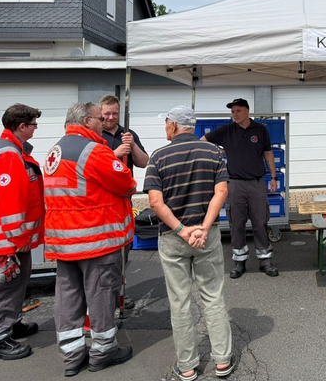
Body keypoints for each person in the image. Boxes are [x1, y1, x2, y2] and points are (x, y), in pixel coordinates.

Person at [43, 102, 136, 376]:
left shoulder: (55, 151)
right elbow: (127, 183)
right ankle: (103, 351)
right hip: (96, 237)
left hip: (64, 239)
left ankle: (72, 355)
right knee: (101, 295)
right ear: (86, 121)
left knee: (68, 297)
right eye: (99, 118)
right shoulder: (94, 151)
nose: (103, 123)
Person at [146, 106, 236, 380]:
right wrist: (204, 228)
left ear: (173, 125)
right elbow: (221, 191)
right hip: (206, 236)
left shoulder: (158, 156)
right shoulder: (215, 152)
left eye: (166, 124)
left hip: (173, 238)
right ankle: (222, 361)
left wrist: (183, 231)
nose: (165, 128)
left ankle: (187, 366)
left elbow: (155, 203)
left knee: (180, 301)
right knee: (213, 296)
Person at [0, 104, 45, 361]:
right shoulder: (8, 154)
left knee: (15, 284)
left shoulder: (12, 150)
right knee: (6, 287)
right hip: (7, 240)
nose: (35, 129)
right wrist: (19, 238)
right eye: (34, 124)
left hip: (5, 238)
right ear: (22, 127)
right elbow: (12, 201)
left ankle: (11, 324)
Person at [203, 98, 278, 279]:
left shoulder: (260, 130)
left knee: (260, 222)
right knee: (236, 224)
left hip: (256, 183)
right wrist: (219, 151)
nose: (234, 115)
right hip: (234, 184)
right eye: (232, 112)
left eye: (238, 111)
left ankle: (265, 261)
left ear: (247, 111)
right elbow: (203, 141)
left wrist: (273, 177)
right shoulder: (226, 131)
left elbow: (268, 153)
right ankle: (239, 261)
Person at [99, 94, 149, 311]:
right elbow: (91, 165)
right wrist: (115, 153)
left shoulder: (127, 134)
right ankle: (104, 293)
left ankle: (119, 289)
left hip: (124, 199)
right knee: (105, 250)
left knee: (124, 247)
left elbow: (144, 161)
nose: (111, 117)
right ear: (100, 113)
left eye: (114, 113)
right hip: (102, 200)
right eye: (106, 114)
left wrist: (131, 145)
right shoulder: (94, 134)